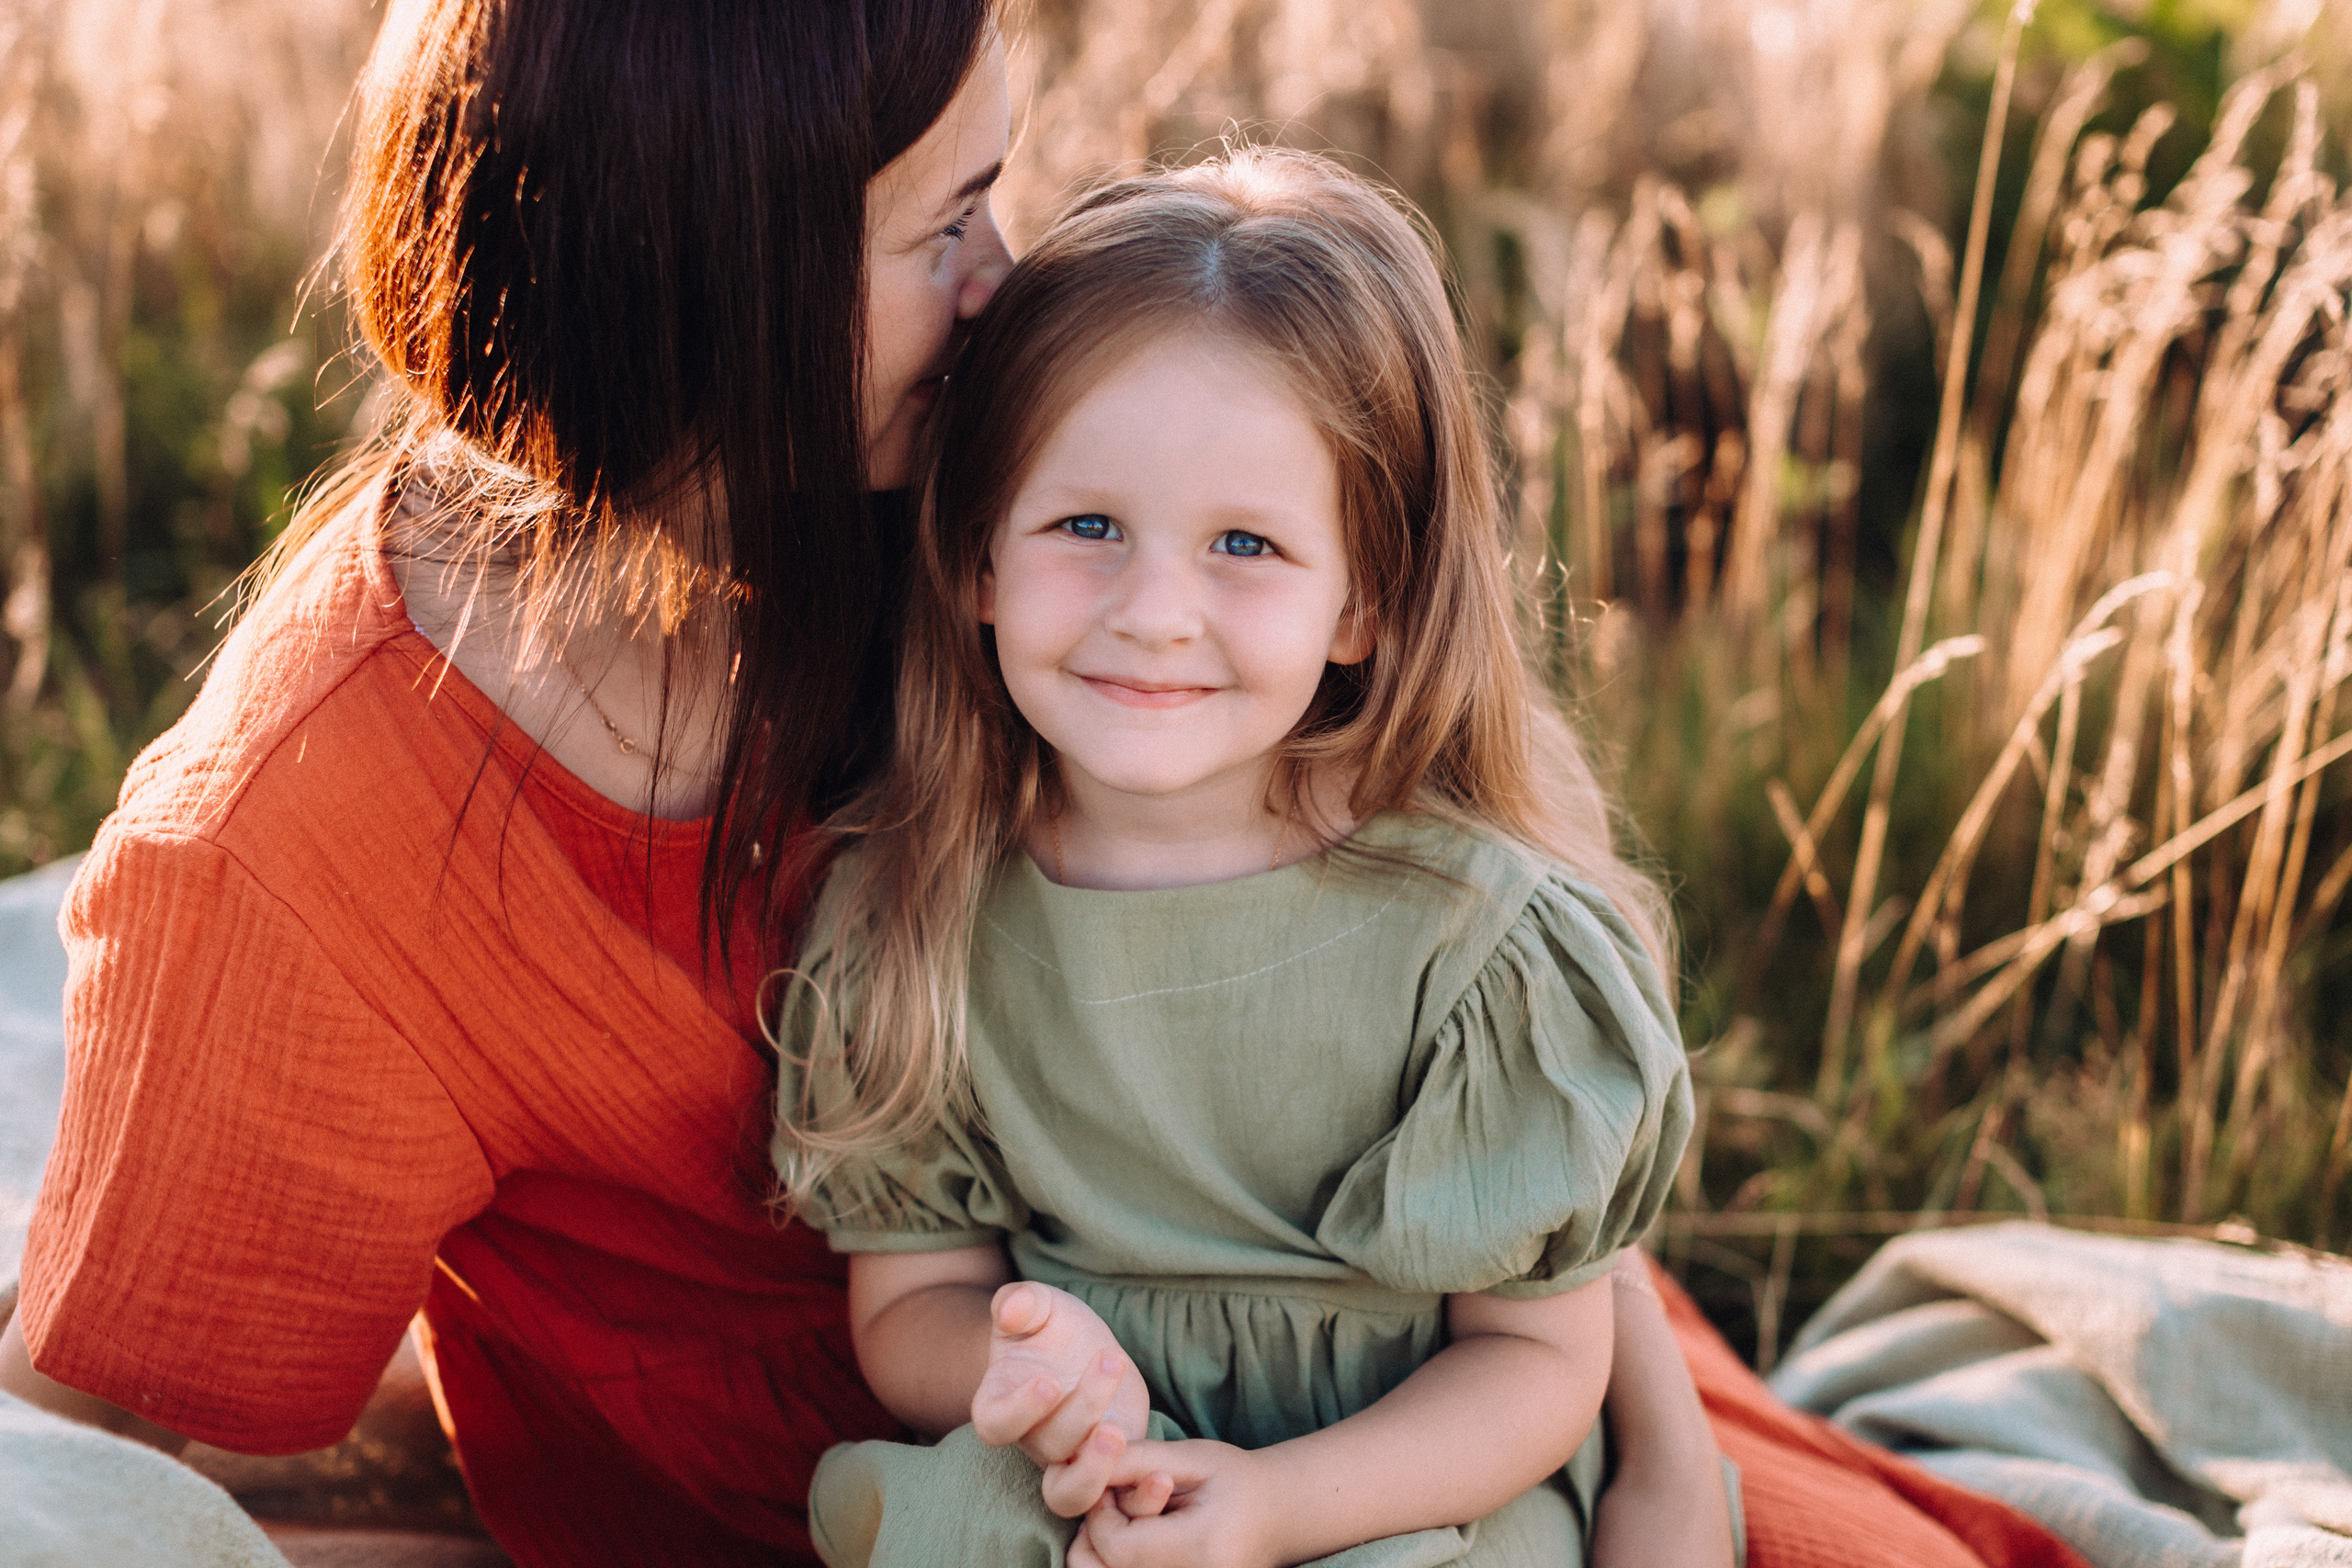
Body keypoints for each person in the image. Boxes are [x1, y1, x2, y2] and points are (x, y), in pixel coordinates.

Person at [0, 3, 1013, 1564]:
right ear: (701, 279)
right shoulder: (308, 837)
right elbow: (98, 1435)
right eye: (946, 225)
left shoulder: (1012, 487)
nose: (1004, 285)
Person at [770, 149, 1744, 1568]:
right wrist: (1032, 1368)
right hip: (1095, 1484)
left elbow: (1536, 1368)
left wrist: (1279, 1509)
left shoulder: (1477, 942)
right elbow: (910, 1304)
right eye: (1087, 526)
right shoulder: (915, 907)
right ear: (977, 556)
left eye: (1245, 545)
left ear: (1364, 604)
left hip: (1404, 1497)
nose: (1157, 612)